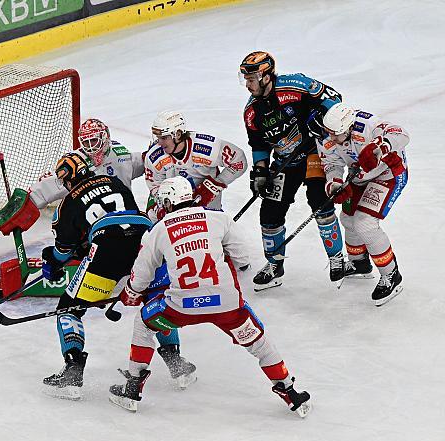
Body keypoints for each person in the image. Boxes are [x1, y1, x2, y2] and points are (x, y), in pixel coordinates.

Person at [108, 176, 311, 416]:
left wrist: (131, 292)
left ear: (168, 203)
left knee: (144, 323)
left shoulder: (159, 229)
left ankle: (132, 387)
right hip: (226, 305)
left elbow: (141, 275)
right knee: (259, 343)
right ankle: (289, 392)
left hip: (181, 307)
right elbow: (243, 257)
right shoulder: (219, 218)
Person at [40, 151, 195, 400]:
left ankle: (72, 372)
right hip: (146, 242)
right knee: (157, 302)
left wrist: (52, 261)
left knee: (69, 308)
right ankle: (177, 364)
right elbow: (124, 219)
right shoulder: (116, 183)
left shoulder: (68, 201)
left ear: (69, 178)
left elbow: (62, 251)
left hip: (107, 250)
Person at [239, 51, 346, 290]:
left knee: (319, 201)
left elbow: (334, 100)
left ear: (266, 76)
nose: (247, 84)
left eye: (251, 78)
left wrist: (321, 119)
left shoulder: (295, 85)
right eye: (245, 79)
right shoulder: (252, 112)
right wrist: (260, 172)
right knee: (269, 213)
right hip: (286, 160)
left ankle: (337, 257)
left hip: (313, 154)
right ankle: (275, 265)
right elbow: (258, 144)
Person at [316, 103, 408, 306]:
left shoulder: (366, 124)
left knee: (365, 223)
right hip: (360, 177)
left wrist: (380, 146)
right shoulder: (328, 136)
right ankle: (359, 263)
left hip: (388, 174)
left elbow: (402, 134)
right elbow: (331, 164)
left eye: (335, 134)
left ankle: (391, 275)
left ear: (348, 128)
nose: (330, 139)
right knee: (347, 219)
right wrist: (334, 184)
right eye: (328, 133)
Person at [144, 110, 247, 222]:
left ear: (178, 134)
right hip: (173, 206)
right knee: (154, 217)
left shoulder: (206, 147)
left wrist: (213, 186)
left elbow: (239, 160)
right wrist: (163, 207)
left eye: (164, 138)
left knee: (212, 229)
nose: (159, 143)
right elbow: (155, 185)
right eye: (158, 138)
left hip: (207, 207)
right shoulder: (154, 156)